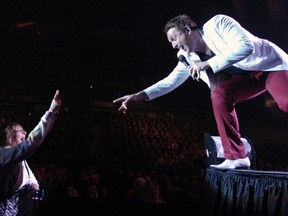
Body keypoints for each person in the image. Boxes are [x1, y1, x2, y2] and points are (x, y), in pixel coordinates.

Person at [113, 14, 288, 170]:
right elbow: (170, 81)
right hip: (247, 80)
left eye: (174, 38)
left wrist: (208, 64)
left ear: (187, 29)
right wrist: (140, 95)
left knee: (285, 103)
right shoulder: (188, 57)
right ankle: (237, 156)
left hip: (269, 66)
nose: (173, 45)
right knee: (219, 95)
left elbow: (246, 47)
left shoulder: (218, 24)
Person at [0, 90, 62, 216]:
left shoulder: (20, 160)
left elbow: (29, 175)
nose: (25, 133)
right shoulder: (3, 154)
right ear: (9, 135)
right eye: (20, 131)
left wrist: (33, 183)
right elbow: (31, 143)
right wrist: (50, 113)